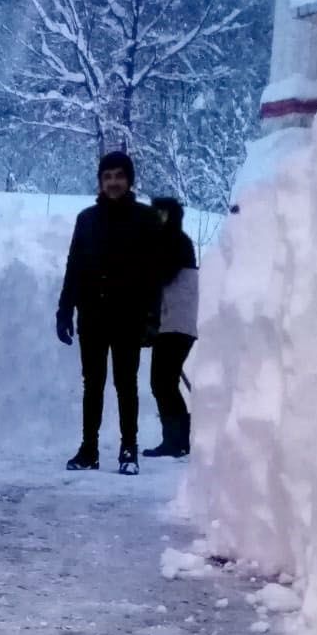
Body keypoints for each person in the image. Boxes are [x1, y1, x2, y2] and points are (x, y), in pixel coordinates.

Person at [55, 150, 161, 475]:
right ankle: (89, 449)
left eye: (119, 176)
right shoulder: (86, 220)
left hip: (129, 317)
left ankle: (129, 449)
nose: (113, 182)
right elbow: (73, 267)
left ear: (129, 180)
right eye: (107, 176)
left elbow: (154, 274)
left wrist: (153, 320)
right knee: (93, 384)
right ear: (100, 182)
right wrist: (64, 311)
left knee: (126, 384)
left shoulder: (145, 220)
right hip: (93, 316)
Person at [142, 197, 198, 459]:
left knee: (162, 381)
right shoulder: (172, 242)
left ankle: (176, 441)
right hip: (174, 323)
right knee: (165, 382)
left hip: (176, 323)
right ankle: (178, 440)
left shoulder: (174, 242)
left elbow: (159, 276)